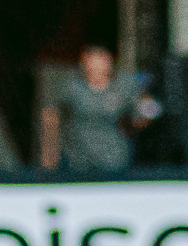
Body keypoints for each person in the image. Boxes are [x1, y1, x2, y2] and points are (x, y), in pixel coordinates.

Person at [45, 45, 150, 175]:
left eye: (102, 59)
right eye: (91, 61)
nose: (97, 66)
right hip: (77, 161)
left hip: (114, 161)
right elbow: (51, 116)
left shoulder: (124, 86)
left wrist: (145, 107)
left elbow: (143, 116)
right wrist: (49, 154)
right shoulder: (72, 87)